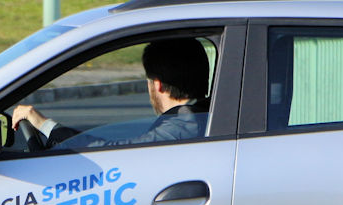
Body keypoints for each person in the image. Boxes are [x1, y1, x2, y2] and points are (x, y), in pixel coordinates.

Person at [11, 37, 210, 149]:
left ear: (158, 85)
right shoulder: (203, 117)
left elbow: (107, 150)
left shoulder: (182, 128)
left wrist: (43, 124)